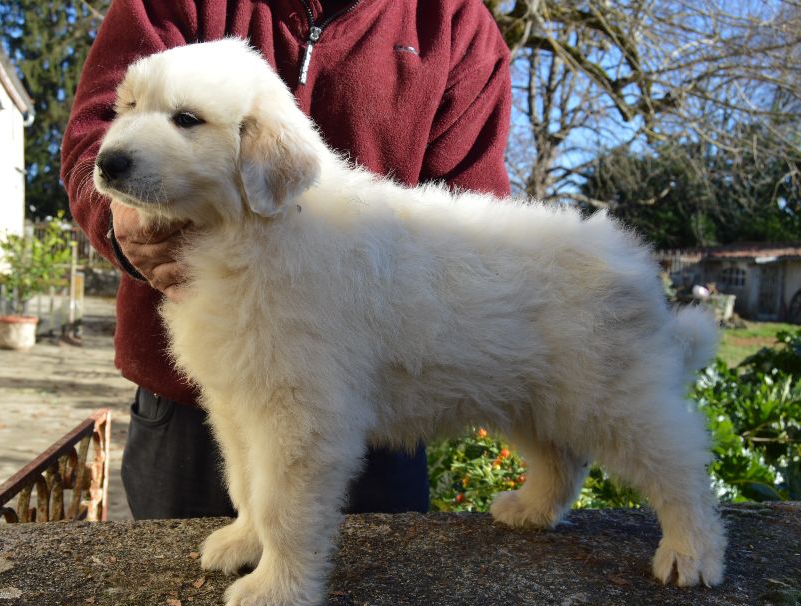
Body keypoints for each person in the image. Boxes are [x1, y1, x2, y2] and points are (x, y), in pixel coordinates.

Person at [61, 0, 512, 519]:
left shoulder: (453, 21)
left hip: (380, 398)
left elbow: (467, 215)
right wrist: (126, 222)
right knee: (176, 586)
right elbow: (95, 134)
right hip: (187, 402)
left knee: (372, 589)